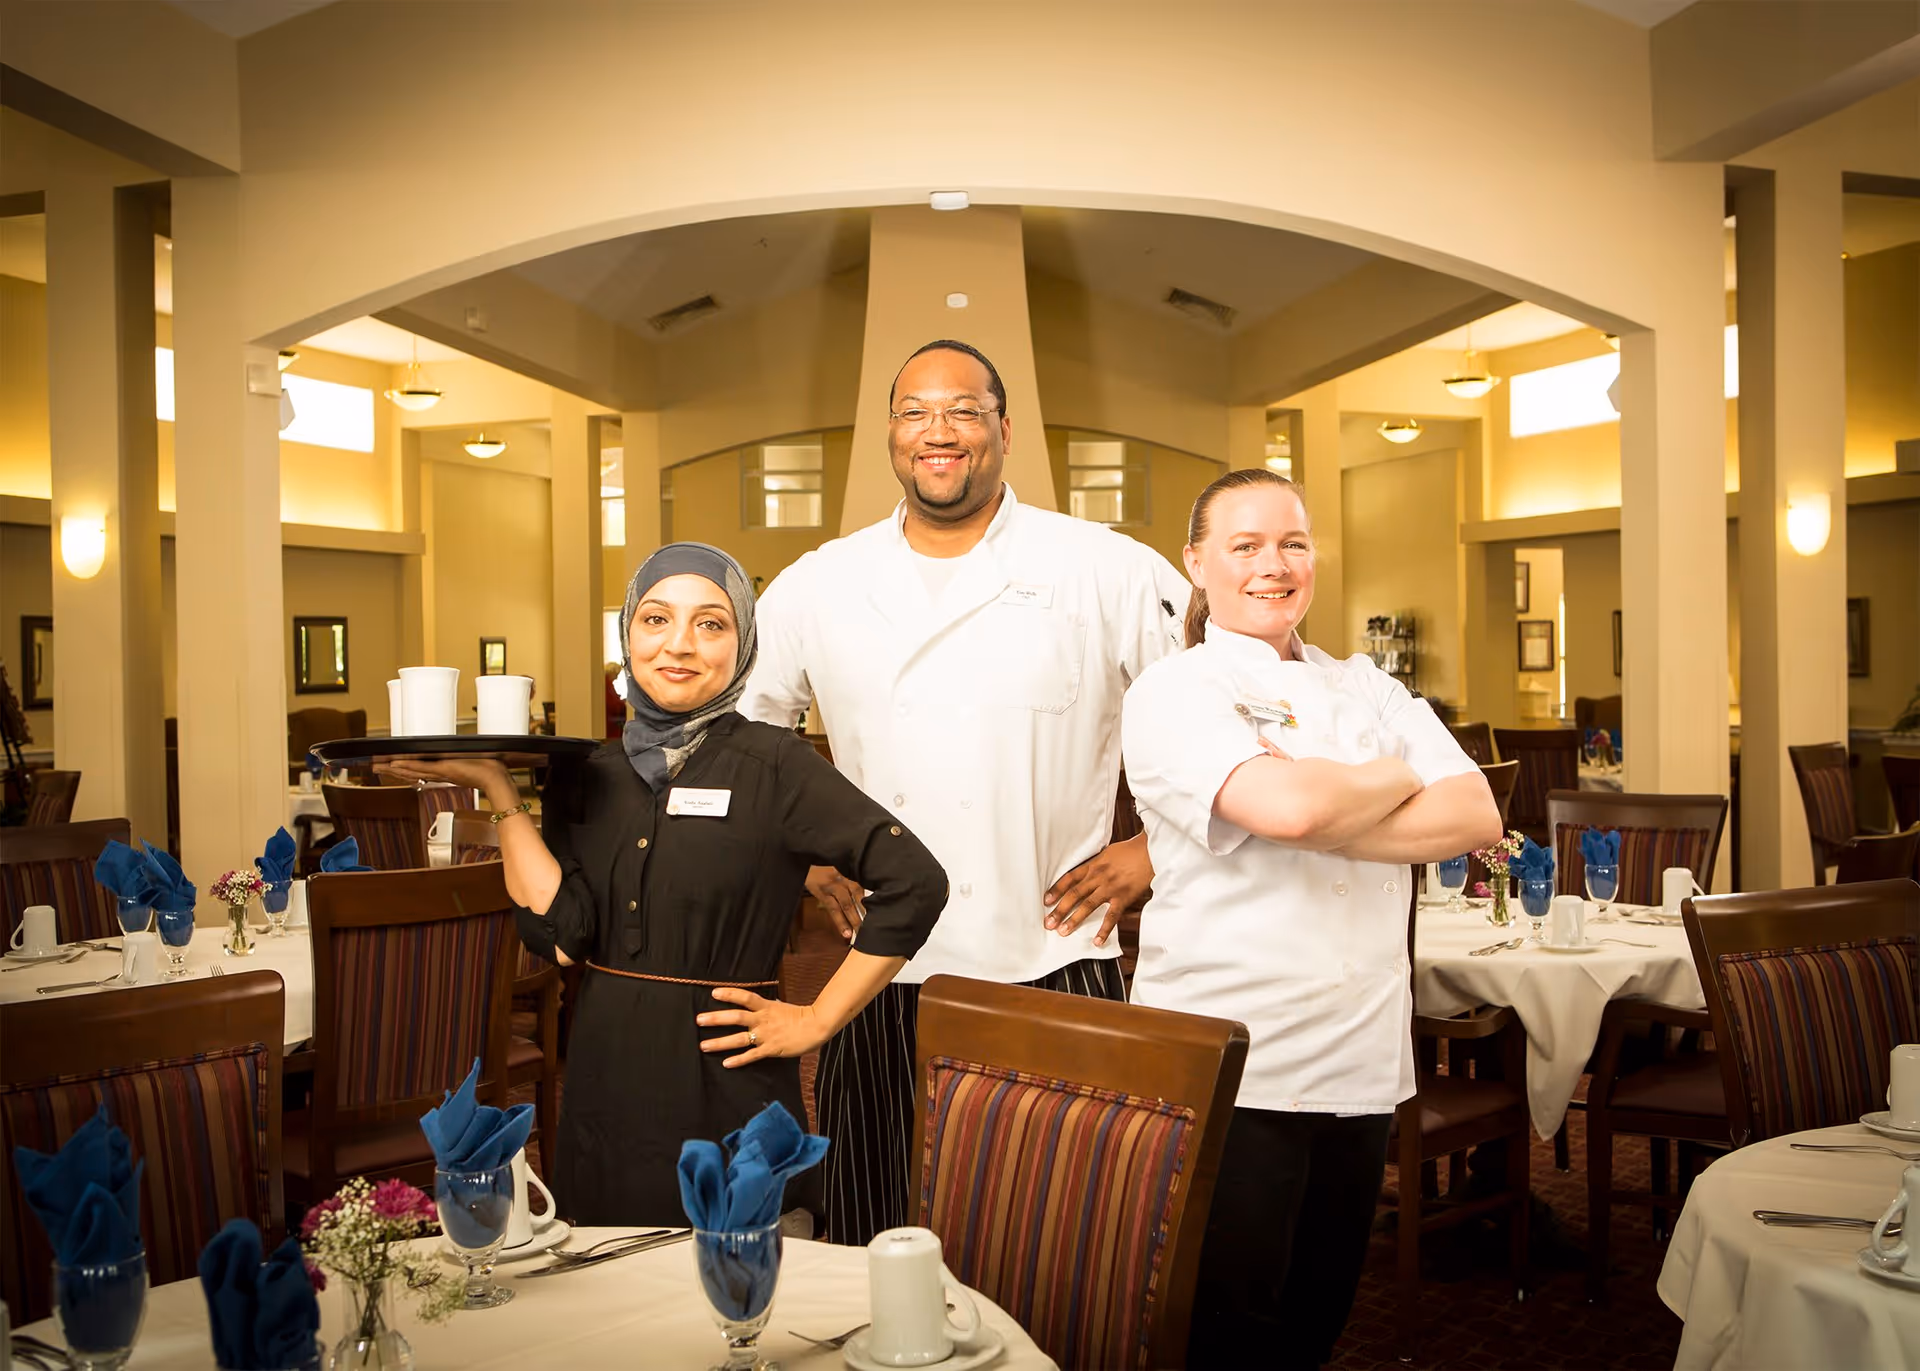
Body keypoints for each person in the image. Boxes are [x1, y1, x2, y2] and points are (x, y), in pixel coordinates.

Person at [739, 339, 1192, 1244]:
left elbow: (1216, 712)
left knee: (1071, 1224)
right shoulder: (821, 583)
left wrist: (1156, 849)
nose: (936, 432)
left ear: (1003, 429)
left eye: (962, 410)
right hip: (882, 967)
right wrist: (801, 861)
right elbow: (744, 741)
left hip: (1057, 954)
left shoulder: (1105, 567)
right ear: (892, 436)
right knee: (875, 1218)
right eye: (914, 412)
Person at [383, 543, 947, 1226]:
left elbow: (916, 881)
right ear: (628, 635)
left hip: (727, 1080)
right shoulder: (588, 771)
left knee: (733, 1291)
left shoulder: (777, 765)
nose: (678, 644)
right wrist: (500, 789)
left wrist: (818, 1018)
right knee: (605, 1293)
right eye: (655, 619)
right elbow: (562, 938)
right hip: (604, 1082)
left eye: (710, 624)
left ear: (742, 646)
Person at [1120, 468, 1502, 1368]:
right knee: (1226, 1325)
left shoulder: (1364, 682)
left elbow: (1477, 814)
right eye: (1245, 545)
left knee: (1319, 1316)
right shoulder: (1175, 690)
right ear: (1198, 562)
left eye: (1292, 542)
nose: (1273, 565)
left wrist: (1320, 810)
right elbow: (1288, 810)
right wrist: (1395, 776)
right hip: (1235, 1057)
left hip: (1360, 1050)